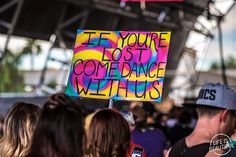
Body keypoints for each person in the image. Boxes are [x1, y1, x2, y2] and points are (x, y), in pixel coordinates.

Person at [168, 83, 236, 157]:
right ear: (225, 116)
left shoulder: (171, 151)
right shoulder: (223, 153)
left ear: (198, 110)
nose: (233, 128)